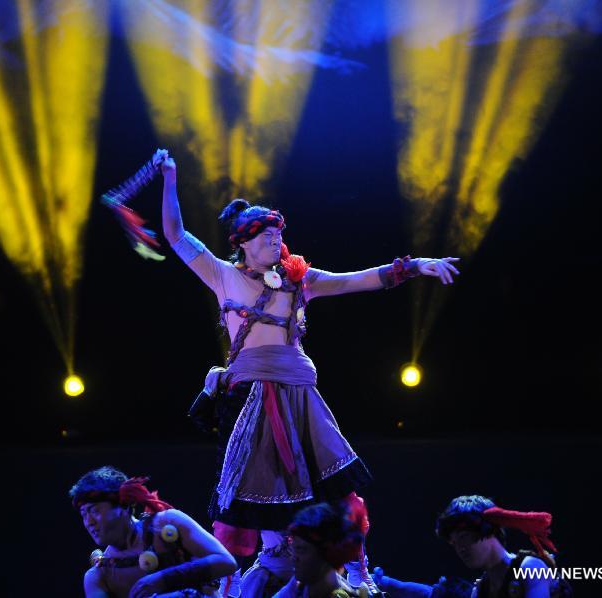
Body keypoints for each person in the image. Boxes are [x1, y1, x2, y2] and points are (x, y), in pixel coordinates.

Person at [154, 147, 460, 560]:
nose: (276, 240)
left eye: (278, 234)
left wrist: (413, 266)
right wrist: (170, 178)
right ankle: (251, 569)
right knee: (254, 491)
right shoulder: (223, 276)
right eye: (266, 236)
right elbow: (175, 234)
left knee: (334, 484)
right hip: (253, 396)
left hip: (300, 392)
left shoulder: (299, 281)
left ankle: (354, 568)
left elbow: (357, 281)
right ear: (243, 243)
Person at [71, 466, 238, 597]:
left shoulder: (168, 523)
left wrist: (163, 580)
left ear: (124, 505)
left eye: (94, 510)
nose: (88, 522)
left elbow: (226, 561)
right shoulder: (99, 576)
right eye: (83, 514)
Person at [435, 495, 562, 598]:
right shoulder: (480, 591)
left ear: (488, 530)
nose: (460, 548)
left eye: (463, 537)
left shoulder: (530, 567)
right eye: (454, 543)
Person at [272, 500, 372, 597]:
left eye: (301, 550)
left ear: (328, 552)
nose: (293, 558)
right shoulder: (296, 588)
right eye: (294, 549)